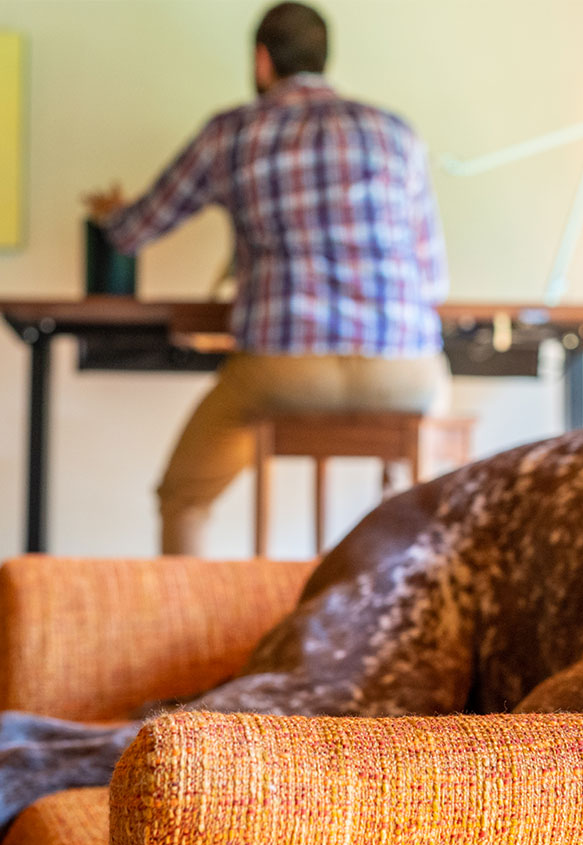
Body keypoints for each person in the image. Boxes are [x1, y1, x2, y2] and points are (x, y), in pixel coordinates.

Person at [89, 1, 449, 556]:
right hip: (404, 374)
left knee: (183, 497)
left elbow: (135, 231)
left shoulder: (232, 133)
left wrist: (111, 212)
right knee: (432, 468)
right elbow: (433, 279)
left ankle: (183, 633)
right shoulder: (395, 132)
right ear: (324, 57)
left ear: (262, 60)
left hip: (284, 371)